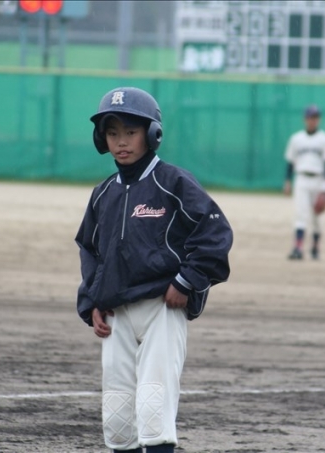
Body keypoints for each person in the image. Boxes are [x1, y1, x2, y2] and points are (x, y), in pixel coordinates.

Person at [75, 87, 233, 452]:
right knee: (118, 416)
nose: (121, 142)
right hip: (115, 314)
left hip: (161, 307)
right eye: (112, 133)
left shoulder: (173, 181)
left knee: (153, 406)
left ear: (152, 134)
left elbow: (215, 232)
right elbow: (90, 250)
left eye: (130, 132)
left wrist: (187, 280)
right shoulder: (103, 194)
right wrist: (92, 301)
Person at [283, 105, 325, 260]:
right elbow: (290, 161)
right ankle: (298, 248)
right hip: (301, 179)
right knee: (300, 214)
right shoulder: (296, 138)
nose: (313, 120)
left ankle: (315, 247)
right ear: (305, 119)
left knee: (317, 217)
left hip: (319, 180)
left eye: (316, 117)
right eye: (311, 117)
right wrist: (287, 180)